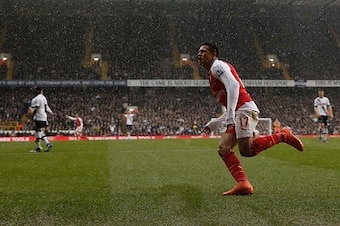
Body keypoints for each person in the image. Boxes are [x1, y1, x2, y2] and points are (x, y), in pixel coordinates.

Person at [197, 42, 304, 196]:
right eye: (199, 52)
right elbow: (230, 100)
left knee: (247, 151)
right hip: (238, 112)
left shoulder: (217, 66)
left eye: (203, 51)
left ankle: (283, 136)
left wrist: (229, 116)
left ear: (214, 54)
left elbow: (233, 85)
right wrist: (218, 121)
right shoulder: (212, 75)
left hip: (245, 110)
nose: (199, 54)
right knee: (223, 149)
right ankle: (243, 184)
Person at [27, 87, 53, 152]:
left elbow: (35, 109)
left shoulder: (36, 99)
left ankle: (41, 147)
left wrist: (31, 118)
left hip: (39, 117)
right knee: (39, 132)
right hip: (44, 117)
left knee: (38, 132)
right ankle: (46, 144)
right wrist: (51, 112)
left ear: (37, 91)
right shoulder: (44, 98)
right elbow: (46, 107)